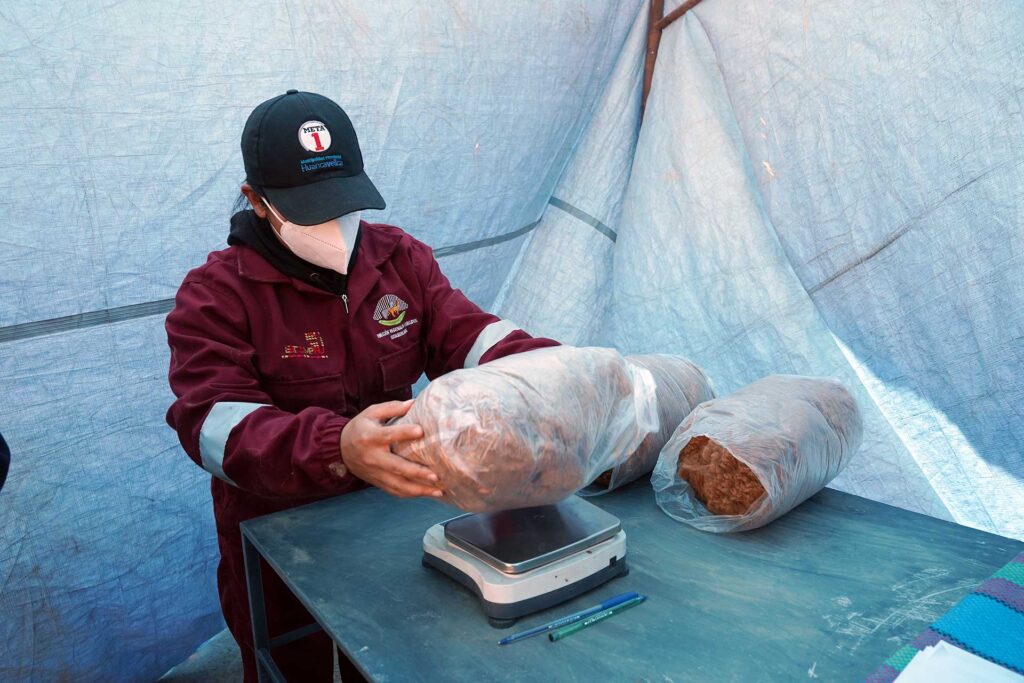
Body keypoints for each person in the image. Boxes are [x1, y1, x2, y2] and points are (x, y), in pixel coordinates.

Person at [165, 90, 558, 682]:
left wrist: (557, 373)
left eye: (342, 205)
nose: (334, 227)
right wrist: (337, 448)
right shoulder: (217, 294)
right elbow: (212, 425)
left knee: (397, 661)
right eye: (309, 210)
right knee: (299, 668)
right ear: (257, 200)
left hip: (395, 534)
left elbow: (469, 335)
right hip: (283, 554)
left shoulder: (399, 259)